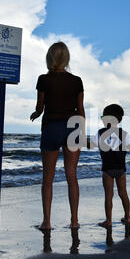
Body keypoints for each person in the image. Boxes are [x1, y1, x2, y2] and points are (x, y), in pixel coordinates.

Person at [30, 42, 85, 230]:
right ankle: (74, 221)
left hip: (52, 126)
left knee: (48, 177)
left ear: (50, 57)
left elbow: (40, 107)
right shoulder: (77, 80)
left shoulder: (44, 79)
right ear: (66, 58)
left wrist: (36, 114)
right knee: (72, 176)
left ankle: (46, 222)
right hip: (72, 127)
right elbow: (81, 109)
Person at [88, 104, 130, 229]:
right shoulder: (123, 134)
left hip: (107, 169)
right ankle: (127, 217)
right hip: (121, 169)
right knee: (123, 193)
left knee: (108, 195)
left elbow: (91, 145)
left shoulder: (100, 132)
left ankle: (109, 221)